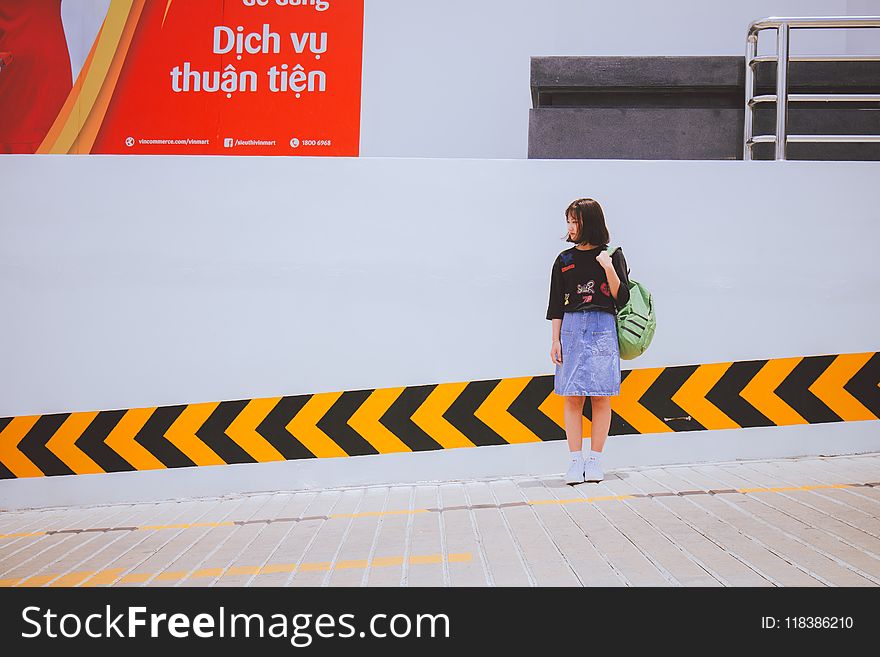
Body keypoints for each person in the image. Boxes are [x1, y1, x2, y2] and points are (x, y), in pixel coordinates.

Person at [546, 198, 630, 485]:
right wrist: (555, 340)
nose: (570, 227)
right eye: (568, 221)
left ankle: (595, 460)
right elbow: (556, 303)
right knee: (572, 396)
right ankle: (574, 461)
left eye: (575, 221)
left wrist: (607, 267)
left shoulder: (611, 254)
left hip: (602, 326)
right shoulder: (563, 260)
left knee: (600, 395)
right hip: (571, 327)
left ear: (589, 223)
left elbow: (621, 297)